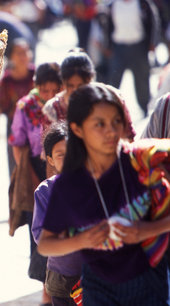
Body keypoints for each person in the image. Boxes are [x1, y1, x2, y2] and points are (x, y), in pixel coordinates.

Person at [37, 83, 170, 305]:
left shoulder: (143, 160)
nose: (111, 131)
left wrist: (146, 230)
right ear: (78, 129)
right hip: (98, 287)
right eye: (99, 124)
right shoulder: (69, 184)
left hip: (149, 279)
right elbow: (46, 244)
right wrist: (82, 239)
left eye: (116, 121)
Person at [8, 62, 62, 306]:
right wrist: (29, 176)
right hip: (33, 169)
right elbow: (17, 142)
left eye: (54, 89)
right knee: (39, 229)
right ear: (36, 86)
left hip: (63, 167)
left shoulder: (64, 105)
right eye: (45, 90)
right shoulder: (25, 106)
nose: (50, 95)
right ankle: (46, 289)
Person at [32, 121, 83, 306]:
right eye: (61, 155)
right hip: (61, 276)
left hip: (93, 272)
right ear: (51, 160)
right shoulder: (45, 192)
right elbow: (39, 235)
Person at [105, 0, 160, 117]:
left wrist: (152, 43)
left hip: (139, 46)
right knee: (114, 80)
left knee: (142, 80)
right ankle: (110, 107)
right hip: (118, 47)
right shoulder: (113, 5)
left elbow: (153, 23)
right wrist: (108, 45)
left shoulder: (143, 4)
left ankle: (145, 108)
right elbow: (108, 26)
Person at [0, 38, 35, 175]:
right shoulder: (7, 80)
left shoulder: (35, 75)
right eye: (18, 53)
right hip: (14, 126)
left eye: (25, 52)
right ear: (11, 56)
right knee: (15, 165)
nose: (22, 56)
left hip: (36, 124)